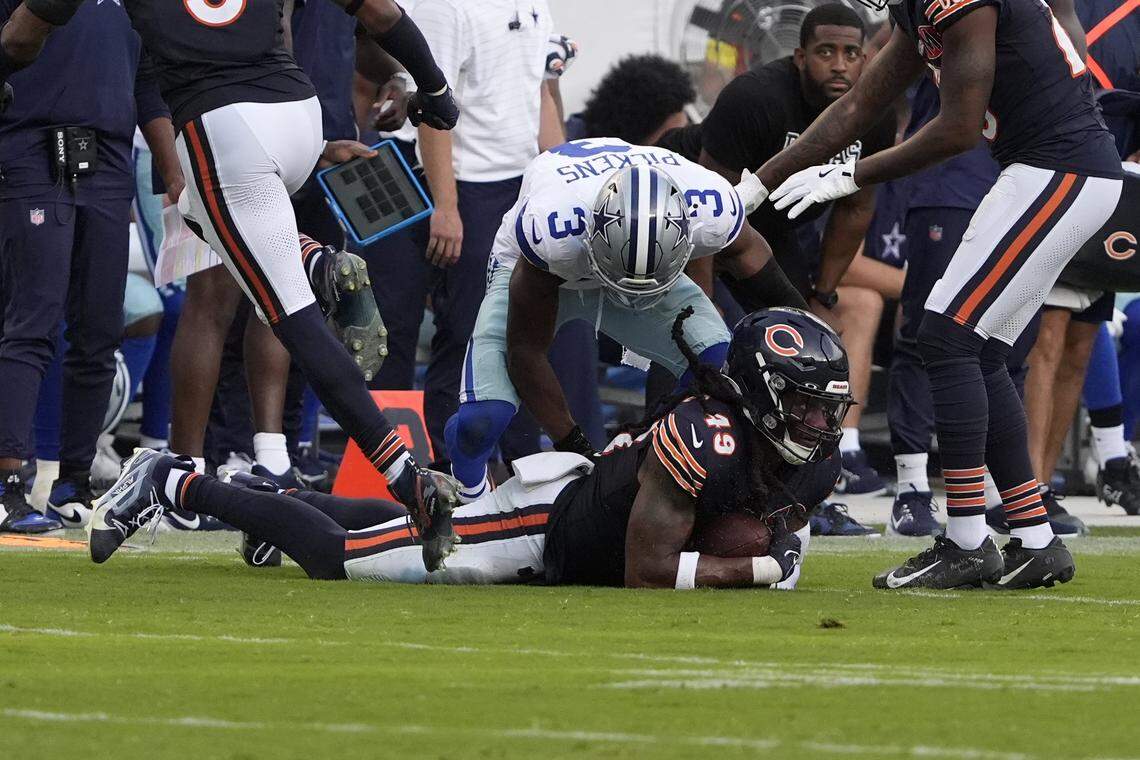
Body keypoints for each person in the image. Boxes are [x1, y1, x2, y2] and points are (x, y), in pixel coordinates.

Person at [1, 0, 467, 563]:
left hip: (223, 128)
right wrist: (435, 87)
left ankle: (401, 476)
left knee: (288, 316)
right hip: (298, 114)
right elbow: (379, 12)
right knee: (207, 218)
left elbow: (23, 37)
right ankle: (306, 261)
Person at [743, 0, 1123, 590]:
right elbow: (860, 103)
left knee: (946, 337)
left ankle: (969, 539)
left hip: (1059, 169)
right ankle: (1034, 537)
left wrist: (853, 174)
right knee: (981, 350)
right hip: (1046, 170)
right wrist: (752, 187)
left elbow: (958, 127)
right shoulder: (918, 10)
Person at [89, 309, 850, 591]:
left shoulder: (816, 460)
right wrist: (754, 567)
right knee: (344, 562)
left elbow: (784, 541)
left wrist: (769, 560)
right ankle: (177, 482)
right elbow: (648, 571)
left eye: (826, 408)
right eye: (807, 405)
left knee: (383, 531)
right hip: (546, 525)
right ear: (758, 395)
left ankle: (275, 506)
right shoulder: (702, 434)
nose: (820, 424)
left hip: (577, 530)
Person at [444, 139, 808, 503]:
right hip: (555, 269)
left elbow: (780, 297)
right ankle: (467, 487)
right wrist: (579, 449)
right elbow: (526, 353)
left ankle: (664, 471)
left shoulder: (711, 207)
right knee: (485, 417)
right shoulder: (551, 232)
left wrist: (810, 339)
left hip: (639, 262)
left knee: (716, 365)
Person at [658, 3, 897, 495]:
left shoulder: (874, 114)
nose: (839, 64)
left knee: (804, 344)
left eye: (851, 53)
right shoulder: (754, 97)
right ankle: (659, 451)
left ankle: (791, 484)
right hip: (687, 210)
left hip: (770, 230)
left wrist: (823, 294)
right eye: (825, 52)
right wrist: (699, 308)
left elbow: (855, 212)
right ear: (798, 56)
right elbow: (710, 214)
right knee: (686, 340)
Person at [0, 0, 177, 533]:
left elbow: (146, 81)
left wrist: (173, 174)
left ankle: (74, 481)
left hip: (108, 159)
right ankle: (8, 485)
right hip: (31, 148)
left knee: (100, 328)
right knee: (33, 319)